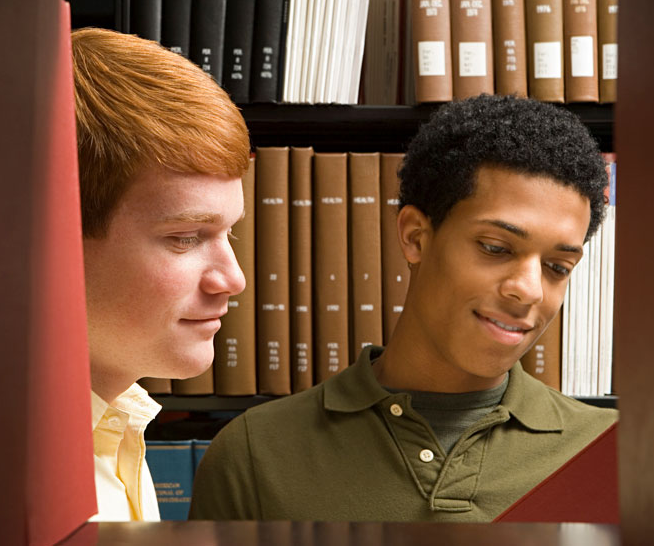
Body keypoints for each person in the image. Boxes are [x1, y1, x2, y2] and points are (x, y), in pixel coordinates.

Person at [189, 94, 618, 522]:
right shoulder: (252, 455)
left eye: (557, 268)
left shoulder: (616, 459)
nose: (529, 291)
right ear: (415, 237)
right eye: (495, 248)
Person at [72, 27, 250, 521]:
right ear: (52, 241)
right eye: (186, 238)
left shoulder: (118, 426)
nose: (232, 280)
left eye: (229, 233)